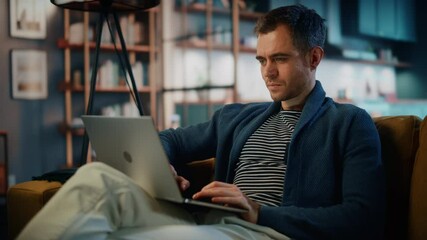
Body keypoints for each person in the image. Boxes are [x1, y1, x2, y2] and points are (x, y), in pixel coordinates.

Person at [18, 4, 385, 240]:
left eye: (280, 59)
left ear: (314, 57)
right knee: (94, 177)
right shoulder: (238, 116)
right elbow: (169, 139)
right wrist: (160, 167)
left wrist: (259, 212)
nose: (267, 72)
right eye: (260, 60)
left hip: (265, 231)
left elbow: (362, 218)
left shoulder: (349, 123)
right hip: (207, 220)